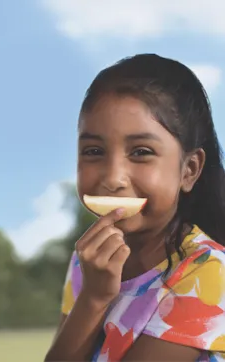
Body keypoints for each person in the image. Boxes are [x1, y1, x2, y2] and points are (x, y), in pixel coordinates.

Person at [44, 54, 225, 362]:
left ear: (189, 170)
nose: (113, 178)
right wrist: (92, 297)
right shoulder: (86, 262)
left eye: (141, 152)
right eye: (94, 151)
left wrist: (96, 297)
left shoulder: (209, 275)